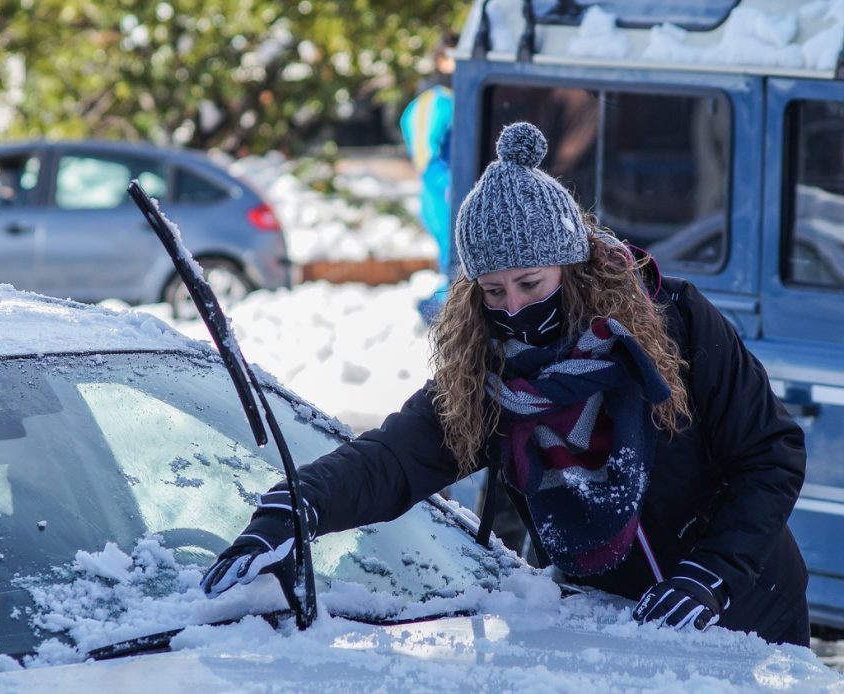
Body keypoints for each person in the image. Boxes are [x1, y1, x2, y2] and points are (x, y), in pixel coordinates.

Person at [201, 122, 810, 646]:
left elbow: (769, 454)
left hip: (746, 607)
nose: (514, 306)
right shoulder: (489, 375)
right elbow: (394, 457)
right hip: (607, 627)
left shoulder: (674, 323)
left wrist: (712, 574)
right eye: (493, 291)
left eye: (530, 283)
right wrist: (295, 505)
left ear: (572, 267)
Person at [399, 32, 457, 323]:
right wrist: (449, 187)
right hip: (444, 197)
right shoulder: (433, 101)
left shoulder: (460, 96)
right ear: (439, 59)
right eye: (451, 55)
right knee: (456, 264)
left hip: (456, 193)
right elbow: (424, 154)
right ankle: (433, 315)